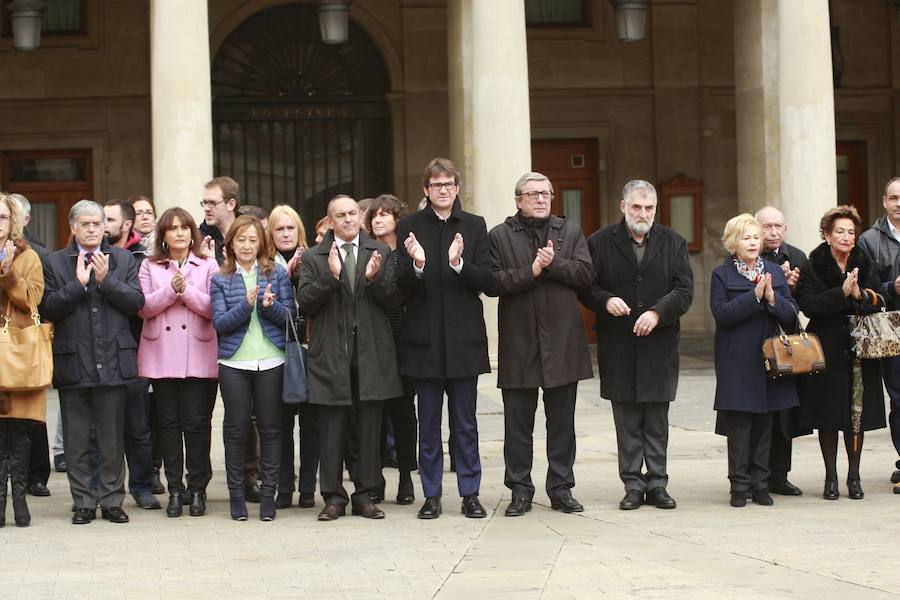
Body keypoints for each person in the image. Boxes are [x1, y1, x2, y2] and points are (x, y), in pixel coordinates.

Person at [486, 172, 593, 517]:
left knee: (561, 424)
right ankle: (520, 490)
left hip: (562, 342)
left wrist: (554, 264)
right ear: (519, 200)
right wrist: (530, 271)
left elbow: (586, 275)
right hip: (519, 342)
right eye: (533, 194)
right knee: (518, 426)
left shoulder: (570, 231)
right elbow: (491, 282)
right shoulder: (499, 235)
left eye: (546, 193)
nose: (541, 199)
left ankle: (561, 489)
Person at [396, 158, 495, 520]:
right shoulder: (410, 226)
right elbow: (400, 288)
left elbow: (486, 280)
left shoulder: (474, 225)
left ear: (457, 188)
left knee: (465, 424)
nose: (442, 190)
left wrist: (458, 264)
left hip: (463, 341)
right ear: (426, 189)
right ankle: (432, 495)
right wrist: (418, 265)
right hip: (424, 344)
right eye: (436, 184)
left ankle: (470, 493)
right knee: (428, 425)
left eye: (448, 184)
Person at [587, 180, 693, 511]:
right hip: (618, 344)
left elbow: (684, 290)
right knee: (627, 421)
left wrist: (658, 312)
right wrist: (605, 300)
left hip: (660, 345)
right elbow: (586, 286)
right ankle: (632, 484)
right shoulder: (600, 242)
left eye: (649, 207)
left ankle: (658, 483)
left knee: (657, 421)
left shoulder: (674, 242)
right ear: (623, 207)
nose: (642, 213)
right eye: (636, 207)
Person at [297, 195, 402, 521]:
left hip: (370, 353)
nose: (348, 219)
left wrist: (372, 279)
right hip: (331, 353)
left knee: (369, 428)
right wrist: (330, 277)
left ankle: (365, 495)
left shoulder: (380, 252)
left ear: (360, 216)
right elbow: (305, 302)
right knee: (332, 429)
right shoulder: (314, 256)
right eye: (340, 215)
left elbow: (394, 300)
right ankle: (333, 497)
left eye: (352, 213)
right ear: (330, 222)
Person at [41, 200, 145, 525]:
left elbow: (136, 303)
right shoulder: (55, 262)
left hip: (113, 358)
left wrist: (106, 280)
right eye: (84, 224)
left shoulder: (123, 259)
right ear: (73, 227)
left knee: (112, 437)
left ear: (104, 227)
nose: (91, 229)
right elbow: (48, 308)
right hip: (73, 360)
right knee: (76, 439)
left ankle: (112, 500)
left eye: (97, 224)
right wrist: (78, 285)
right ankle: (83, 502)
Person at [795, 205, 887, 500]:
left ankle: (854, 477)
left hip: (860, 348)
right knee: (828, 414)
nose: (847, 237)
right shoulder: (813, 264)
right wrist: (841, 293)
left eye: (851, 232)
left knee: (856, 415)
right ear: (827, 234)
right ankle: (831, 477)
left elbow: (879, 299)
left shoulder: (864, 260)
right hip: (827, 346)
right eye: (840, 232)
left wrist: (860, 295)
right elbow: (808, 305)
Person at [710, 214, 800, 507]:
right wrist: (753, 297)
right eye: (745, 238)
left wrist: (772, 297)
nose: (752, 243)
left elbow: (791, 315)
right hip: (736, 362)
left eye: (755, 237)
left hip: (769, 362)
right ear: (732, 242)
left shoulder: (772, 271)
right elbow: (721, 314)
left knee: (765, 425)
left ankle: (760, 485)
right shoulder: (721, 274)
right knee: (739, 427)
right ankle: (739, 486)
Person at [137, 208, 219, 517]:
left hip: (198, 352)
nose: (180, 233)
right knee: (168, 424)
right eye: (172, 229)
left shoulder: (209, 264)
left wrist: (187, 291)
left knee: (196, 424)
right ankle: (174, 488)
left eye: (184, 227)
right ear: (163, 235)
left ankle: (197, 488)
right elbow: (144, 307)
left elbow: (213, 308)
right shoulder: (149, 265)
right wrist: (171, 289)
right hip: (162, 354)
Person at [210, 215, 294, 521]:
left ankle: (268, 494)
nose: (246, 245)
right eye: (240, 239)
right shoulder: (220, 278)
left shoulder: (276, 273)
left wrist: (270, 307)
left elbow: (290, 318)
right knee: (236, 429)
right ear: (230, 243)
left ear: (261, 243)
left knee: (271, 428)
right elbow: (220, 323)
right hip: (234, 362)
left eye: (252, 239)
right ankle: (236, 496)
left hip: (272, 360)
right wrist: (246, 306)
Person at [104, 199, 159, 510]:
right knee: (100, 430)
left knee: (137, 426)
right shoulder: (87, 255)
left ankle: (142, 486)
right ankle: (102, 489)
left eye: (108, 220)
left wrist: (106, 282)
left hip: (133, 350)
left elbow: (138, 304)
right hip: (97, 351)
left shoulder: (141, 259)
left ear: (126, 225)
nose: (101, 225)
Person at [366, 194, 418, 505]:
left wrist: (374, 281)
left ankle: (406, 475)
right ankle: (376, 477)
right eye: (374, 215)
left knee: (403, 413)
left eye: (385, 214)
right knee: (375, 414)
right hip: (373, 343)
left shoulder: (408, 254)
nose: (378, 219)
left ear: (397, 219)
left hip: (404, 342)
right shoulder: (367, 253)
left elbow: (397, 296)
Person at [267, 205, 319, 510]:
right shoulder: (264, 264)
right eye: (279, 229)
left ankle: (308, 488)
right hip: (276, 350)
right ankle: (284, 487)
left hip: (309, 349)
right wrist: (283, 275)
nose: (286, 234)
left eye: (291, 228)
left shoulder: (313, 259)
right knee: (280, 424)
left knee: (311, 424)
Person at [755, 206, 809, 497]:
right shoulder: (749, 256)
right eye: (767, 226)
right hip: (755, 343)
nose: (773, 232)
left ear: (785, 229)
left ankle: (780, 475)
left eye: (778, 226)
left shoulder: (797, 257)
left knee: (784, 412)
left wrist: (790, 290)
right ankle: (755, 474)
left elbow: (805, 303)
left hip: (786, 345)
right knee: (757, 412)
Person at [0, 194, 46, 527]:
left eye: (2, 217)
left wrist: (8, 275)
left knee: (19, 430)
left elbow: (33, 299)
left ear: (12, 221)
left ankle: (19, 499)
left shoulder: (27, 255)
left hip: (18, 354)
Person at [857, 177, 900, 494]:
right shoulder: (869, 241)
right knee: (899, 399)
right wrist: (891, 288)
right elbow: (863, 290)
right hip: (890, 329)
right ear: (884, 201)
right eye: (894, 198)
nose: (899, 204)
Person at [200, 176, 240, 265]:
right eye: (205, 203)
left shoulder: (252, 233)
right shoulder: (198, 240)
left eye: (212, 203)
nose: (206, 208)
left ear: (231, 204)